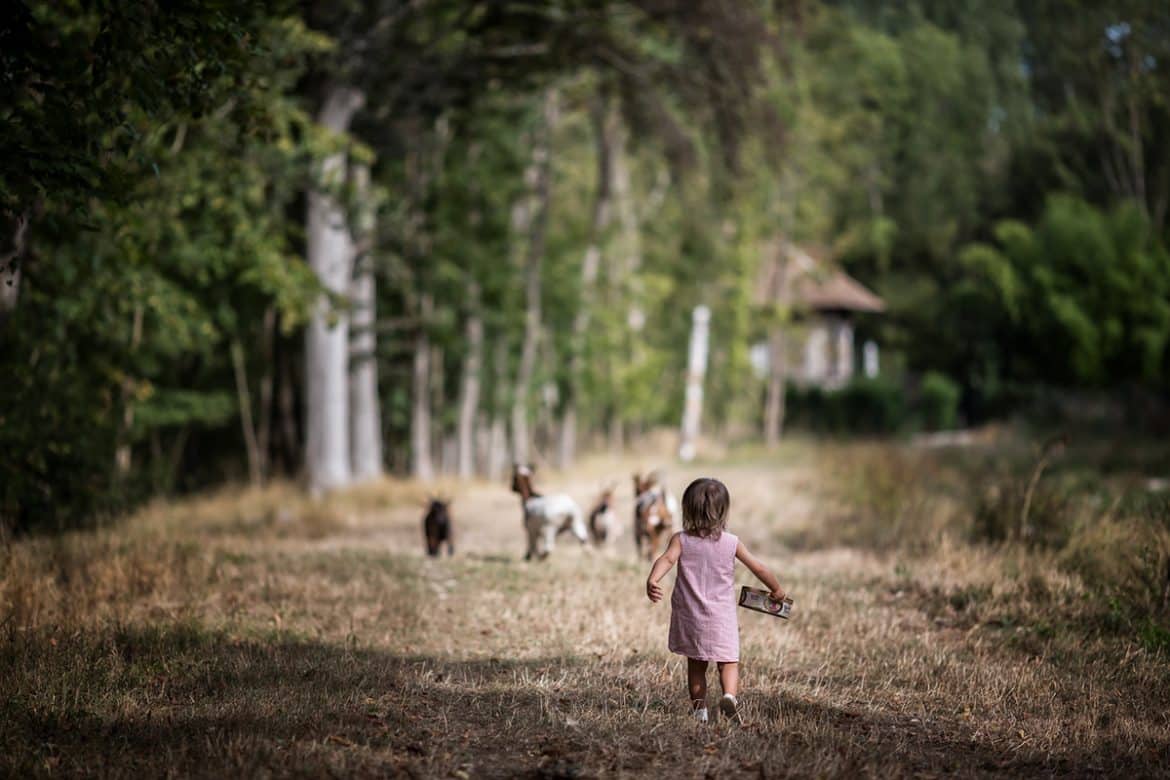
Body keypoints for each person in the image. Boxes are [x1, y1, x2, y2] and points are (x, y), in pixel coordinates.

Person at [645, 477, 786, 724]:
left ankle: (700, 712)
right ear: (723, 511)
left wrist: (653, 580)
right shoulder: (731, 542)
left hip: (691, 616)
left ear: (687, 509)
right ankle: (730, 696)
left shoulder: (681, 539)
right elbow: (759, 568)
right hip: (722, 617)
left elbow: (666, 559)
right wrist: (777, 590)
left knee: (697, 666)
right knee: (728, 661)